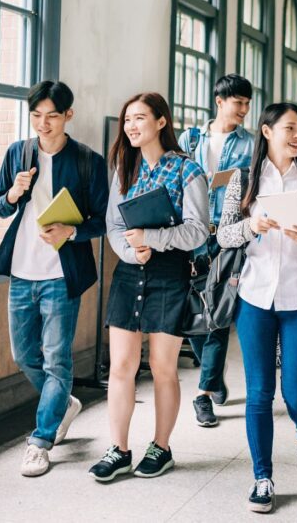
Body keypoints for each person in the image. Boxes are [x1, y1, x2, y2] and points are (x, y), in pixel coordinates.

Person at [216, 102, 297, 514]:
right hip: (255, 296)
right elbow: (223, 236)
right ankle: (263, 477)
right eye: (289, 127)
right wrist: (250, 225)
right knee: (259, 394)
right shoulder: (245, 179)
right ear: (266, 131)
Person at [0, 80, 109, 477]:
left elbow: (102, 220)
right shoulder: (17, 153)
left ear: (68, 115)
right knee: (24, 355)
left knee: (57, 358)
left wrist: (70, 232)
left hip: (61, 274)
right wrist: (13, 193)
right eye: (37, 116)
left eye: (52, 116)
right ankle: (63, 403)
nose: (43, 123)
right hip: (22, 271)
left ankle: (40, 441)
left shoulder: (88, 161)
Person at [89, 92, 210, 482]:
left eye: (139, 118)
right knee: (121, 366)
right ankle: (119, 449)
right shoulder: (125, 166)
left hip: (169, 273)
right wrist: (130, 250)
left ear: (161, 121)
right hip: (130, 271)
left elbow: (196, 231)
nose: (131, 126)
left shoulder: (188, 171)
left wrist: (152, 240)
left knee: (162, 368)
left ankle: (161, 446)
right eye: (127, 121)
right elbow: (113, 223)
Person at [177, 73, 254, 428]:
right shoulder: (190, 139)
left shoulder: (250, 144)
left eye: (247, 104)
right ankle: (214, 372)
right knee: (194, 314)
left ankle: (204, 393)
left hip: (227, 235)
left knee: (219, 313)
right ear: (220, 101)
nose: (244, 110)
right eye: (238, 103)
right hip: (190, 234)